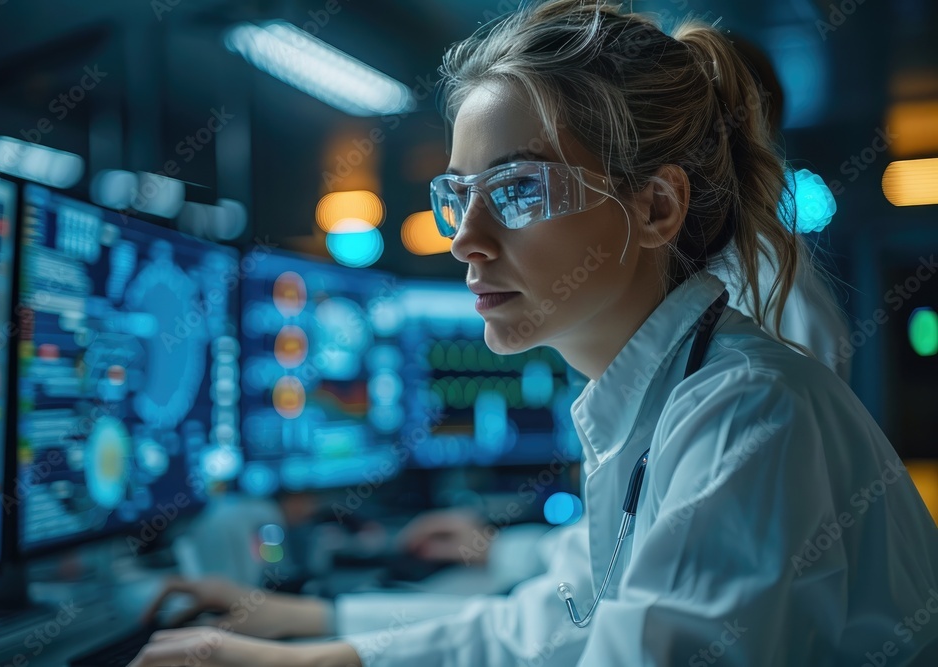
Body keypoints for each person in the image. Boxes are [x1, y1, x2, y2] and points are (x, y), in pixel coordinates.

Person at [129, 2, 938, 665]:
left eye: (517, 190)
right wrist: (316, 643)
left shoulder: (745, 408)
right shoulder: (654, 405)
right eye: (458, 194)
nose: (464, 238)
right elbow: (562, 624)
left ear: (656, 206)